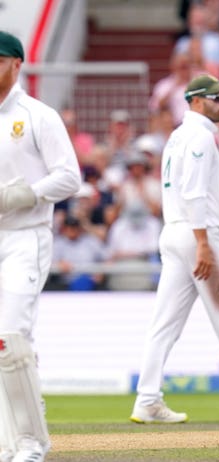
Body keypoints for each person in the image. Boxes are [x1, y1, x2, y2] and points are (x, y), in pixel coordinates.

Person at [130, 74, 219, 426]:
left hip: (176, 233)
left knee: (163, 325)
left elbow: (190, 196)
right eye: (216, 98)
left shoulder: (177, 137)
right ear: (195, 101)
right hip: (196, 237)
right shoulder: (201, 138)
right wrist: (207, 243)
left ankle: (147, 399)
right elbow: (194, 195)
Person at [0, 31, 81, 462]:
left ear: (16, 64)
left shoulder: (37, 115)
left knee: (11, 338)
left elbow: (70, 177)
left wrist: (24, 194)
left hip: (25, 236)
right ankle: (11, 440)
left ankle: (32, 443)